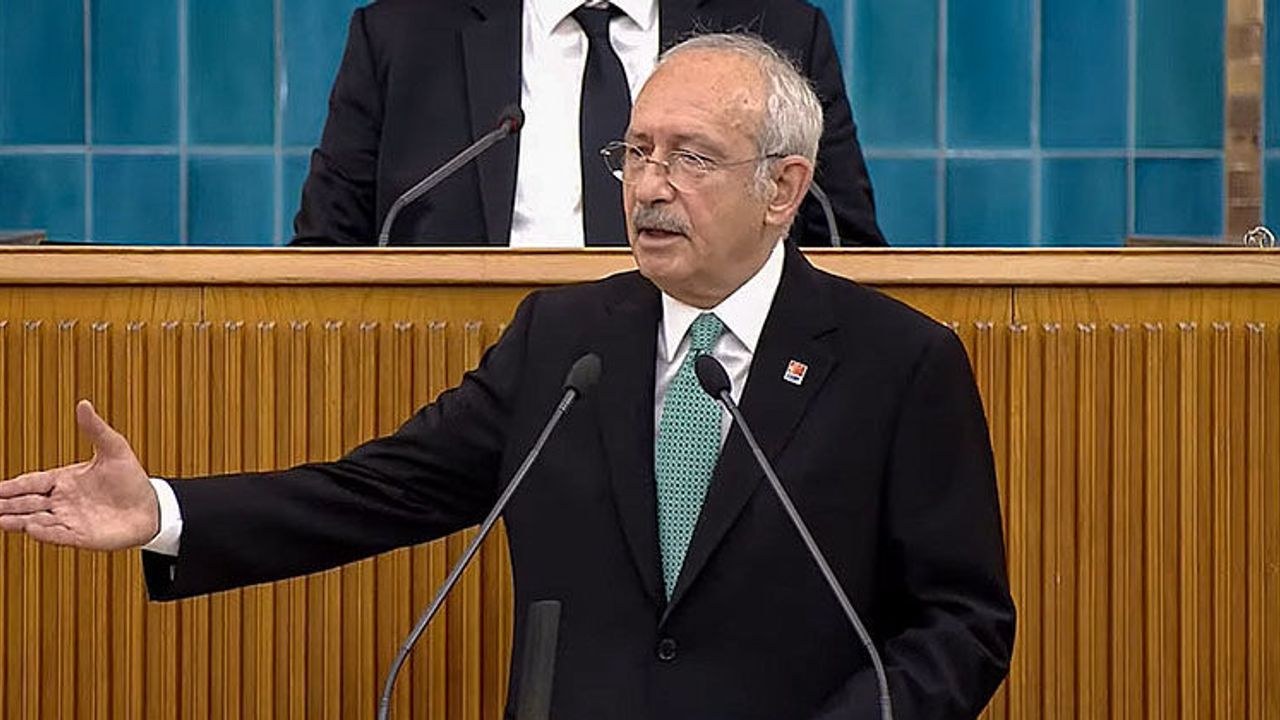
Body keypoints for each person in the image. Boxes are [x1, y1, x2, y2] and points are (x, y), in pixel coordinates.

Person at [0, 34, 1010, 719]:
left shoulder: (896, 362)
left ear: (782, 187)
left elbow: (961, 625)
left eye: (690, 158)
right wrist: (165, 511)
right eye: (635, 153)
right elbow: (379, 491)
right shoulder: (565, 341)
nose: (648, 186)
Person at [290, 0, 887, 248]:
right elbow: (325, 256)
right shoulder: (404, 34)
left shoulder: (776, 28)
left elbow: (845, 249)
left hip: (710, 385)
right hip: (459, 374)